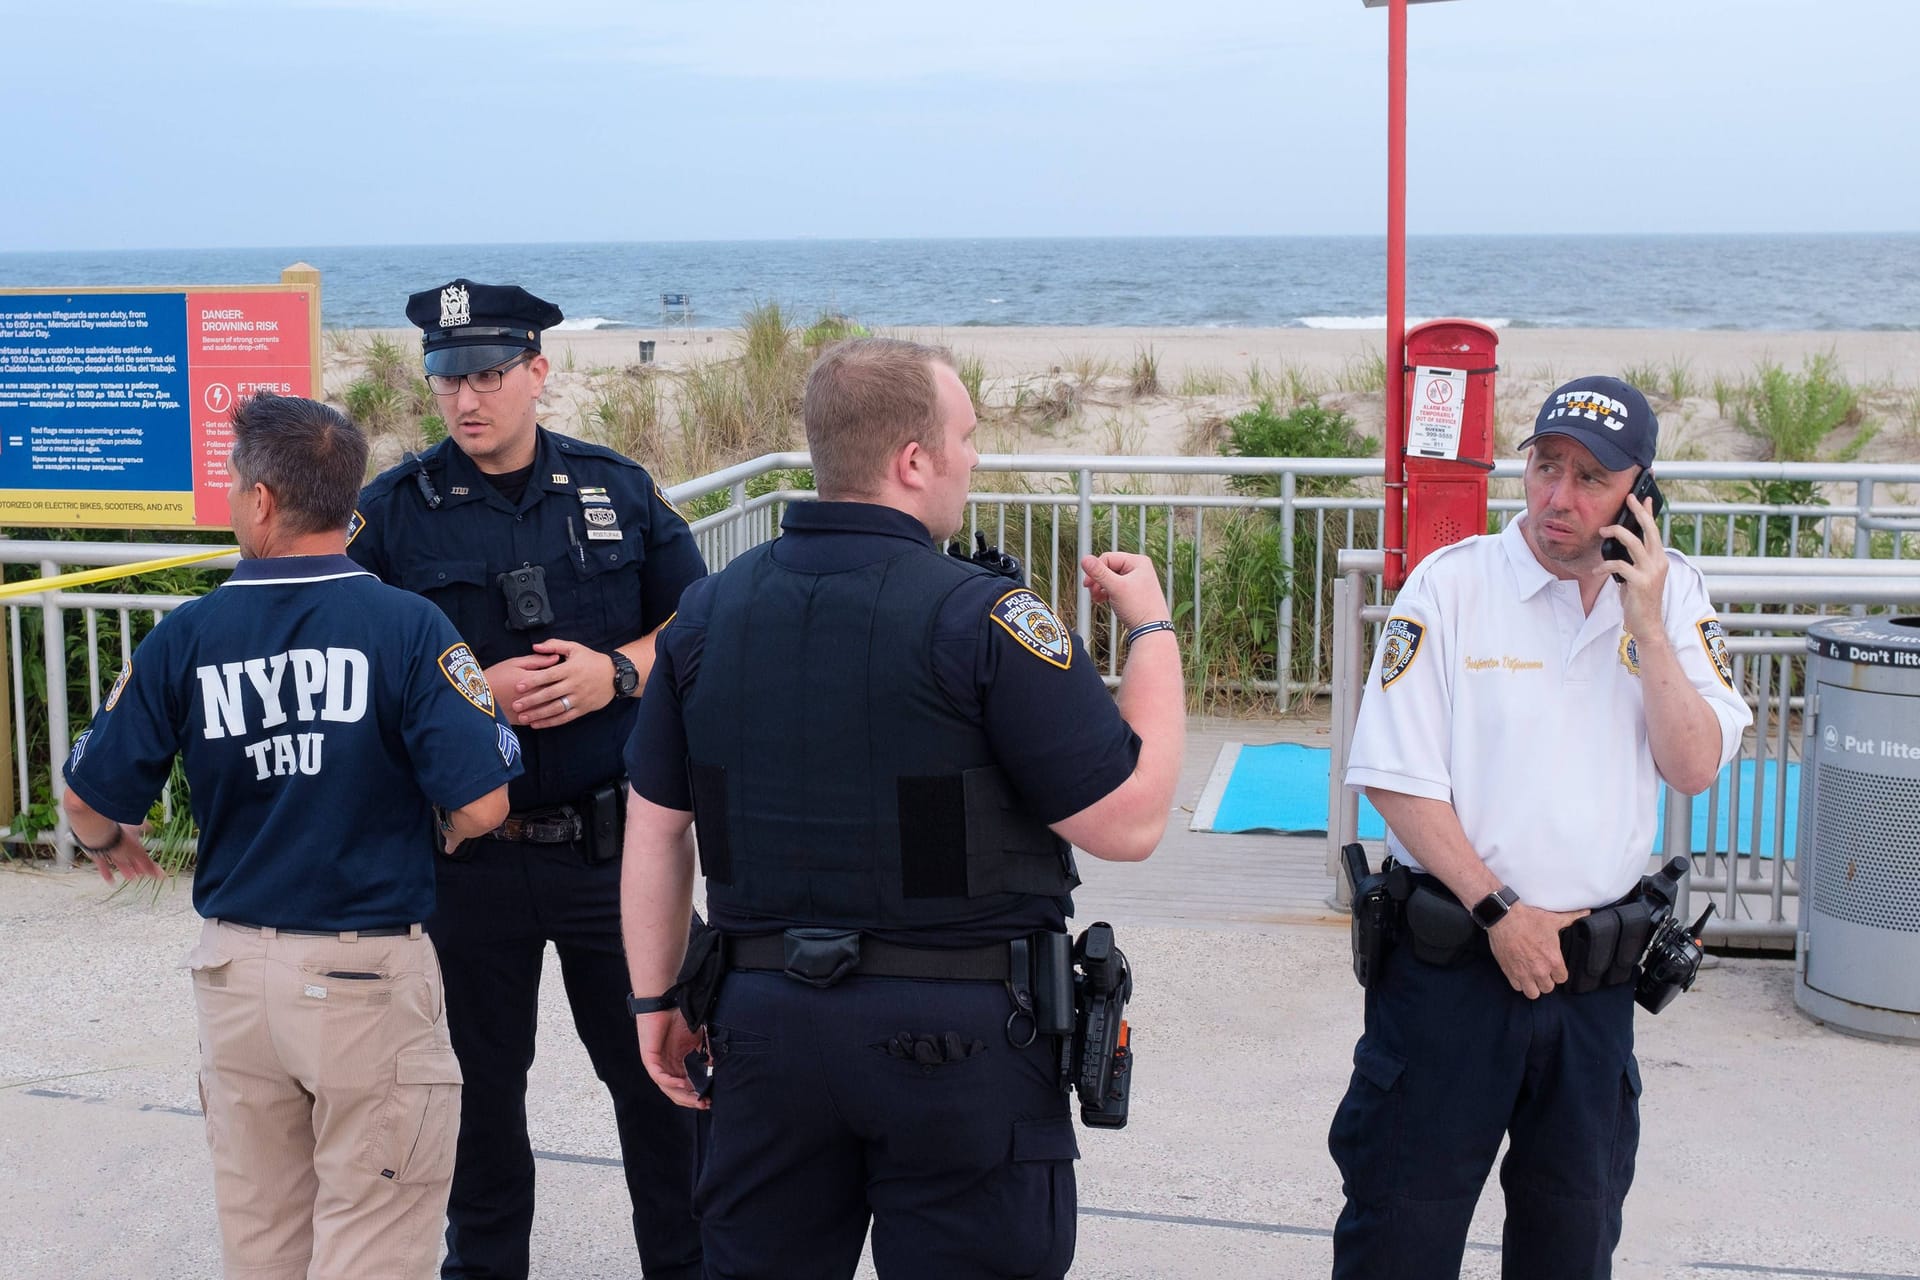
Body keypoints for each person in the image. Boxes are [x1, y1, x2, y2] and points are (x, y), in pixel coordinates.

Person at [617, 337, 1187, 1279]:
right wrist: (1153, 635)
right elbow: (1126, 822)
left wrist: (653, 999)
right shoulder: (985, 619)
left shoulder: (706, 616)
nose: (972, 458)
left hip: (765, 1034)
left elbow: (655, 826)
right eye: (964, 438)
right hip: (960, 1046)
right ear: (911, 460)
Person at [62, 393, 519, 1280]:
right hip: (366, 977)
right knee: (375, 1235)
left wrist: (102, 843)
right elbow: (482, 804)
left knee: (262, 1239)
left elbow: (88, 803)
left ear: (263, 501)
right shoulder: (408, 626)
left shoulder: (186, 636)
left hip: (235, 976)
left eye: (234, 485)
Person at [1330, 376, 1754, 1279]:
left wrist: (1646, 624)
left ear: (1639, 496)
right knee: (1397, 1239)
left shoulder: (1674, 601)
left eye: (1590, 478)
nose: (1558, 498)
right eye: (1544, 467)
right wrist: (1499, 914)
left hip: (1591, 994)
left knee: (1572, 1248)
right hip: (1453, 979)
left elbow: (1694, 765)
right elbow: (1395, 783)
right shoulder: (1452, 588)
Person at [347, 279, 704, 1280]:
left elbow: (700, 620)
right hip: (471, 862)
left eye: (490, 374)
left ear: (537, 373)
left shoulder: (615, 488)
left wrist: (618, 669)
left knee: (665, 1083)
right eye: (447, 376)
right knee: (478, 1103)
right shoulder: (391, 517)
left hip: (615, 856)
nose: (467, 398)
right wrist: (466, 692)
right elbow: (354, 667)